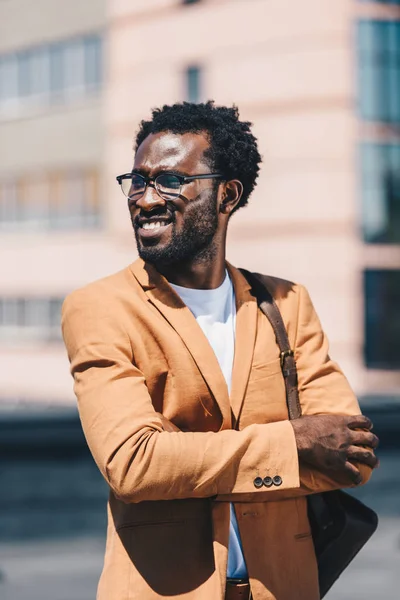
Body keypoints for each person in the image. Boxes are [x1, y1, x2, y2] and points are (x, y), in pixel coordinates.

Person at [61, 101, 379, 600]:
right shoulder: (100, 308)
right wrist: (294, 441)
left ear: (227, 195)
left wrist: (187, 462)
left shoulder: (287, 304)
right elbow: (134, 464)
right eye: (137, 181)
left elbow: (351, 456)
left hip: (285, 587)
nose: (144, 200)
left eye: (169, 180)